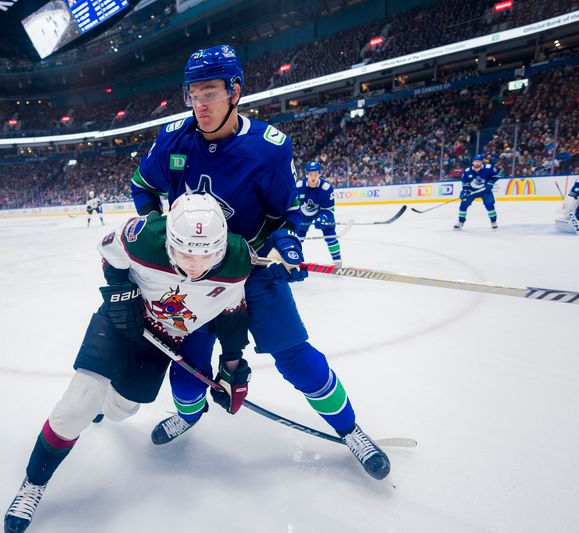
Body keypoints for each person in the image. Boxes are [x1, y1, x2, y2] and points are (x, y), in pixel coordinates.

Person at [131, 44, 390, 481]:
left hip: (253, 269)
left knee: (295, 355)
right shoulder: (173, 138)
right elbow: (142, 184)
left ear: (235, 91)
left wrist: (288, 240)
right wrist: (157, 229)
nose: (199, 105)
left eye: (209, 93)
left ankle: (350, 430)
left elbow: (287, 210)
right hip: (194, 275)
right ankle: (188, 416)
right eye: (192, 94)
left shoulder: (269, 148)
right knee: (189, 368)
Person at [4, 193, 254, 533]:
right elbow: (109, 253)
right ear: (169, 241)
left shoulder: (237, 259)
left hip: (163, 341)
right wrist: (122, 294)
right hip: (121, 321)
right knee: (77, 404)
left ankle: (102, 404)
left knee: (122, 409)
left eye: (207, 254)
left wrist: (233, 366)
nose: (196, 266)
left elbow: (231, 314)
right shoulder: (145, 236)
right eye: (185, 254)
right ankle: (33, 484)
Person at [295, 160, 342, 266]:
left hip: (320, 212)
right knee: (297, 237)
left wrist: (323, 217)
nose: (313, 177)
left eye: (316, 174)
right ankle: (293, 259)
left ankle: (337, 260)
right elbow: (294, 206)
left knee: (330, 235)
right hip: (303, 214)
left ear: (320, 174)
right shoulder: (299, 187)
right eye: (311, 174)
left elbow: (329, 210)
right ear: (306, 174)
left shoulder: (326, 188)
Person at [453, 153, 503, 230]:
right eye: (475, 161)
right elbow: (465, 183)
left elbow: (499, 174)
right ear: (472, 162)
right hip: (471, 191)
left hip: (485, 191)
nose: (477, 163)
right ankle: (461, 222)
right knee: (463, 205)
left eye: (479, 161)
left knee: (490, 205)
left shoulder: (488, 168)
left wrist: (491, 182)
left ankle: (493, 221)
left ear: (482, 162)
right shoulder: (467, 171)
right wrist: (465, 191)